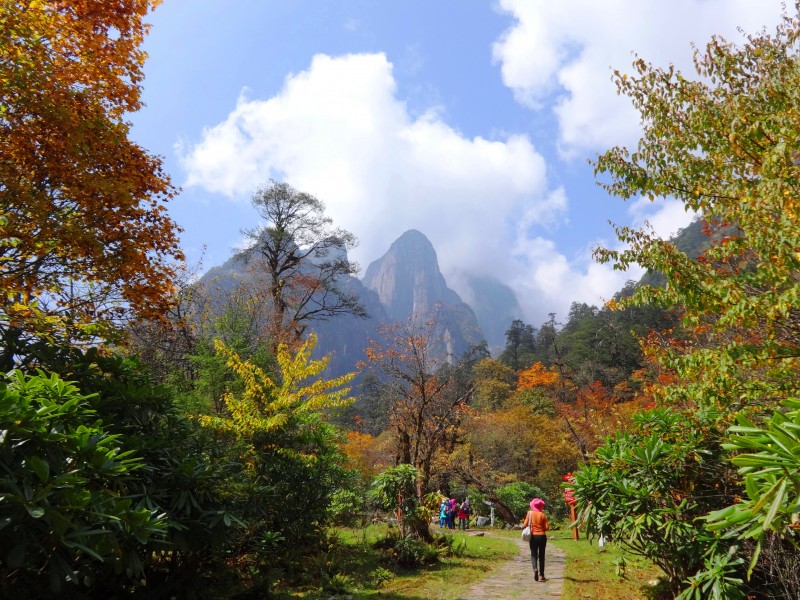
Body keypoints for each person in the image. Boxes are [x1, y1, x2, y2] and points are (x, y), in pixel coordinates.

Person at [522, 497, 549, 582]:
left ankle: (535, 569)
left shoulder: (529, 513)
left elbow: (525, 524)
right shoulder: (542, 515)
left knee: (534, 555)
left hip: (533, 536)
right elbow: (547, 527)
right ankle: (542, 575)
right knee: (541, 556)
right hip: (542, 536)